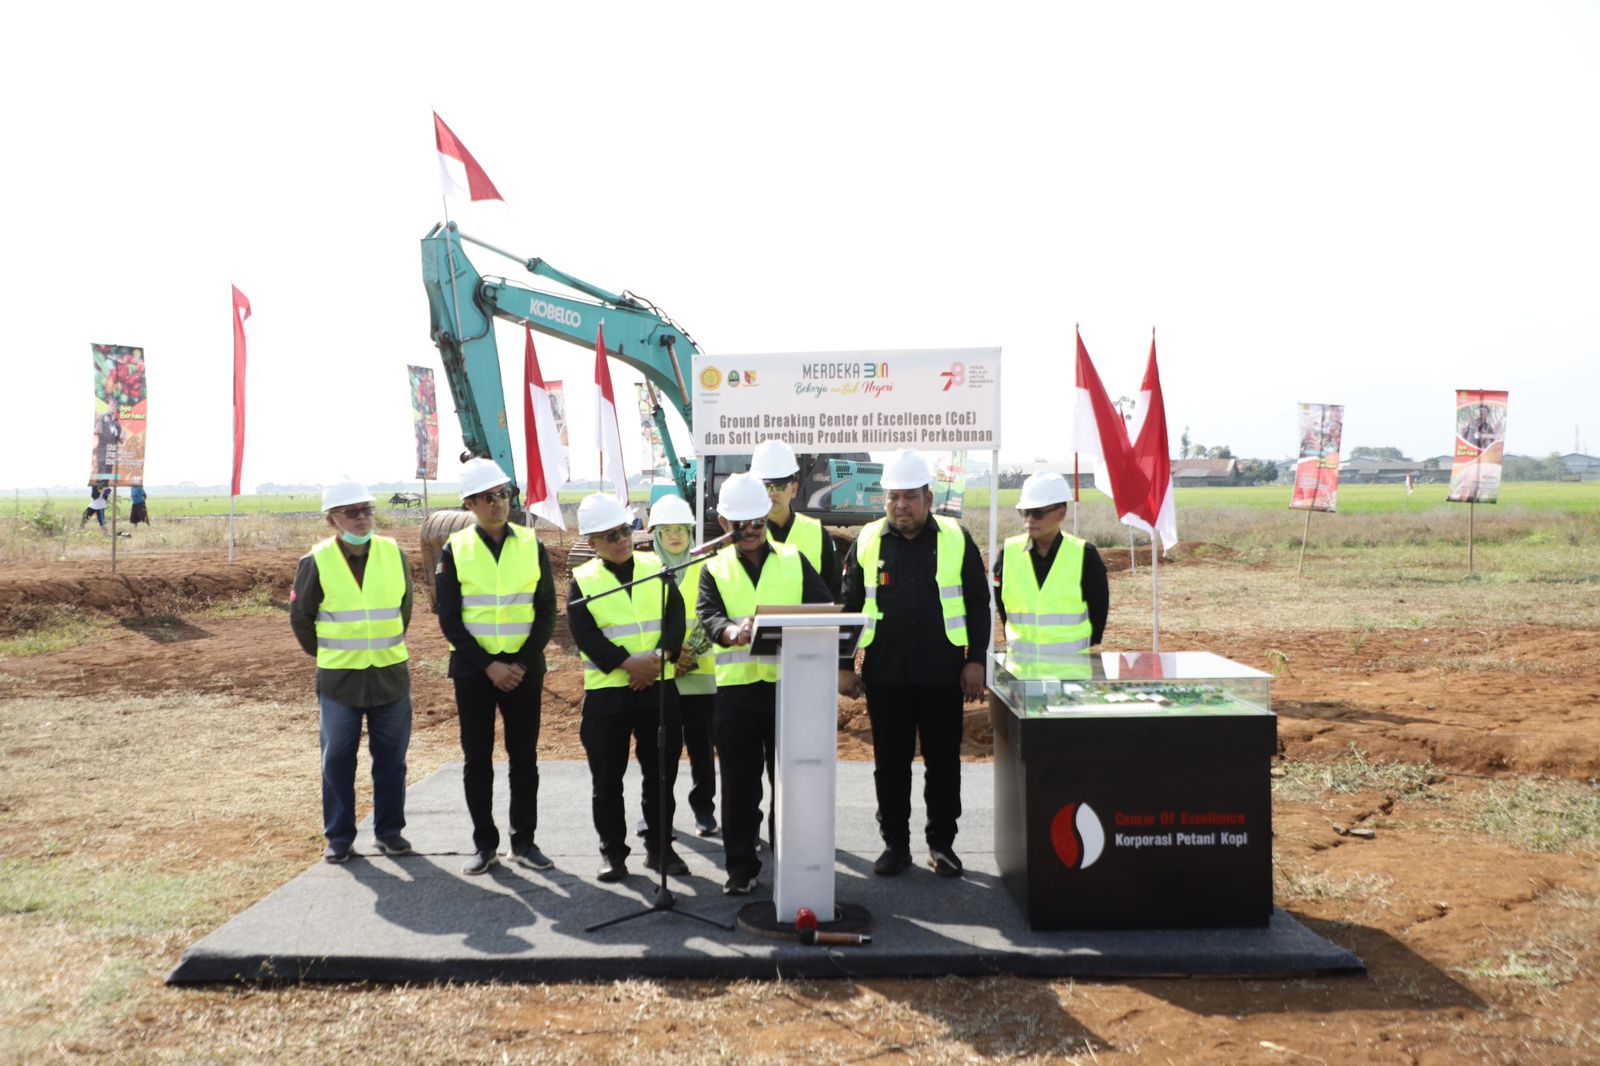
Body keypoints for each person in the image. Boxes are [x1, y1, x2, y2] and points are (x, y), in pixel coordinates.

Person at [837, 450, 991, 879]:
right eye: (892, 497)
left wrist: (976, 660)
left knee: (943, 762)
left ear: (928, 496)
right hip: (885, 676)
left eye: (909, 496)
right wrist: (844, 664)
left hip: (943, 674)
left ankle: (942, 845)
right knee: (890, 764)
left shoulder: (956, 537)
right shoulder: (867, 539)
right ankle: (895, 845)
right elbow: (849, 605)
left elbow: (978, 603)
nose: (900, 505)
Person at [697, 472, 835, 895]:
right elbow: (709, 616)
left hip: (788, 690)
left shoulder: (793, 559)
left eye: (758, 521)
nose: (752, 531)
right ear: (723, 523)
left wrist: (780, 624)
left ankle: (791, 865)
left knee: (790, 784)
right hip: (737, 694)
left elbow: (823, 608)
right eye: (742, 524)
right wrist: (733, 631)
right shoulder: (713, 568)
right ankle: (741, 867)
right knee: (739, 788)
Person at [435, 458, 557, 875]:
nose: (499, 503)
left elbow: (545, 612)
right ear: (470, 503)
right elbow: (450, 618)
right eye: (489, 497)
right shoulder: (455, 549)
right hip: (475, 672)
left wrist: (519, 664)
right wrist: (489, 666)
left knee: (524, 757)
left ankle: (524, 842)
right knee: (478, 759)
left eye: (504, 494)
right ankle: (484, 844)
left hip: (524, 671)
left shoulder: (531, 544)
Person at [288, 481, 414, 864]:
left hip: (390, 675)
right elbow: (302, 619)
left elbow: (404, 609)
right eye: (351, 512)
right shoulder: (316, 561)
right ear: (332, 520)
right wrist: (329, 652)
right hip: (340, 680)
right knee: (338, 758)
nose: (362, 518)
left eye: (366, 510)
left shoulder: (394, 553)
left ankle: (389, 832)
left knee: (391, 759)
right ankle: (340, 836)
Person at [567, 493, 687, 882]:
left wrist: (655, 660)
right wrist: (626, 663)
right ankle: (613, 854)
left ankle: (660, 849)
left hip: (658, 686)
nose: (620, 539)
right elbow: (585, 633)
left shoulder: (657, 568)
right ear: (593, 543)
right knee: (607, 780)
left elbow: (675, 619)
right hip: (607, 693)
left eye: (623, 530)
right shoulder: (583, 581)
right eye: (609, 535)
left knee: (661, 776)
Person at [649, 493, 718, 838]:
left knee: (701, 748)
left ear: (691, 532)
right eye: (667, 530)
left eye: (681, 529)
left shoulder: (705, 567)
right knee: (662, 752)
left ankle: (704, 809)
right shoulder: (647, 571)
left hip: (700, 674)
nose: (675, 536)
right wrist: (670, 655)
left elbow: (712, 615)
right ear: (656, 535)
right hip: (661, 676)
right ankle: (659, 814)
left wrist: (691, 651)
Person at [991, 470, 1109, 662]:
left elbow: (1098, 612)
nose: (1029, 519)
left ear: (1061, 513)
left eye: (1037, 513)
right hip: (1022, 670)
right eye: (1025, 512)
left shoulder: (1085, 556)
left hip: (1070, 670)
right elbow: (1002, 608)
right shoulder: (1007, 554)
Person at [749, 438, 841, 600]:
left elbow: (834, 591)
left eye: (779, 486)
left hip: (805, 626)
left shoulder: (818, 535)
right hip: (756, 625)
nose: (772, 493)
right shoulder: (745, 535)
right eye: (765, 486)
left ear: (793, 489)